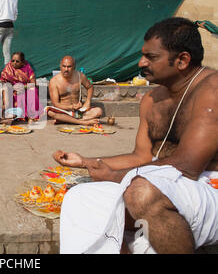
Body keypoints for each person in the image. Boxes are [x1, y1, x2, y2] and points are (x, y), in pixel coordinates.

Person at [53, 17, 218, 254]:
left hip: (208, 185)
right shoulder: (151, 100)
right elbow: (142, 156)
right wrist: (87, 162)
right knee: (80, 197)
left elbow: (188, 165)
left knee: (139, 191)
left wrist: (117, 176)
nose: (141, 62)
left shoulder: (211, 88)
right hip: (159, 181)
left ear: (182, 60)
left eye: (151, 57)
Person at [46, 56, 102, 125]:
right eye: (64, 66)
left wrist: (88, 101)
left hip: (78, 111)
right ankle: (83, 122)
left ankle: (66, 120)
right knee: (50, 112)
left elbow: (90, 87)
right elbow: (56, 104)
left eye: (69, 67)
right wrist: (71, 107)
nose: (66, 69)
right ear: (60, 66)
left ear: (74, 67)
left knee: (98, 111)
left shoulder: (80, 76)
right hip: (63, 111)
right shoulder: (54, 81)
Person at [0, 51, 41, 120]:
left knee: (33, 90)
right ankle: (20, 115)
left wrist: (23, 87)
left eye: (17, 61)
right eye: (13, 61)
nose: (14, 63)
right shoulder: (8, 68)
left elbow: (33, 83)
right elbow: (2, 81)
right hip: (12, 90)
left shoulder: (27, 67)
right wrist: (12, 87)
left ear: (22, 62)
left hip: (25, 87)